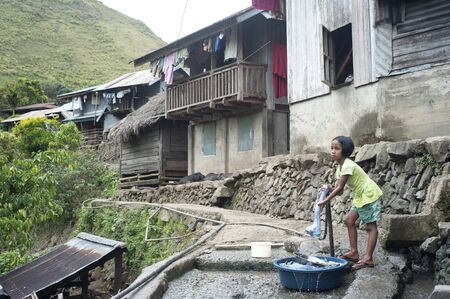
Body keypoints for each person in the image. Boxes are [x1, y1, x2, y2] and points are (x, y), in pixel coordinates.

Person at [318, 136, 382, 270]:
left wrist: (325, 200)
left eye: (337, 149)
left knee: (371, 226)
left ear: (345, 151)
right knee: (349, 220)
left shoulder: (347, 165)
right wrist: (327, 188)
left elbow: (340, 188)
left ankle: (368, 258)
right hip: (361, 195)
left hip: (368, 193)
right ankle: (354, 253)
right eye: (332, 148)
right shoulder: (340, 168)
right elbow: (338, 190)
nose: (333, 151)